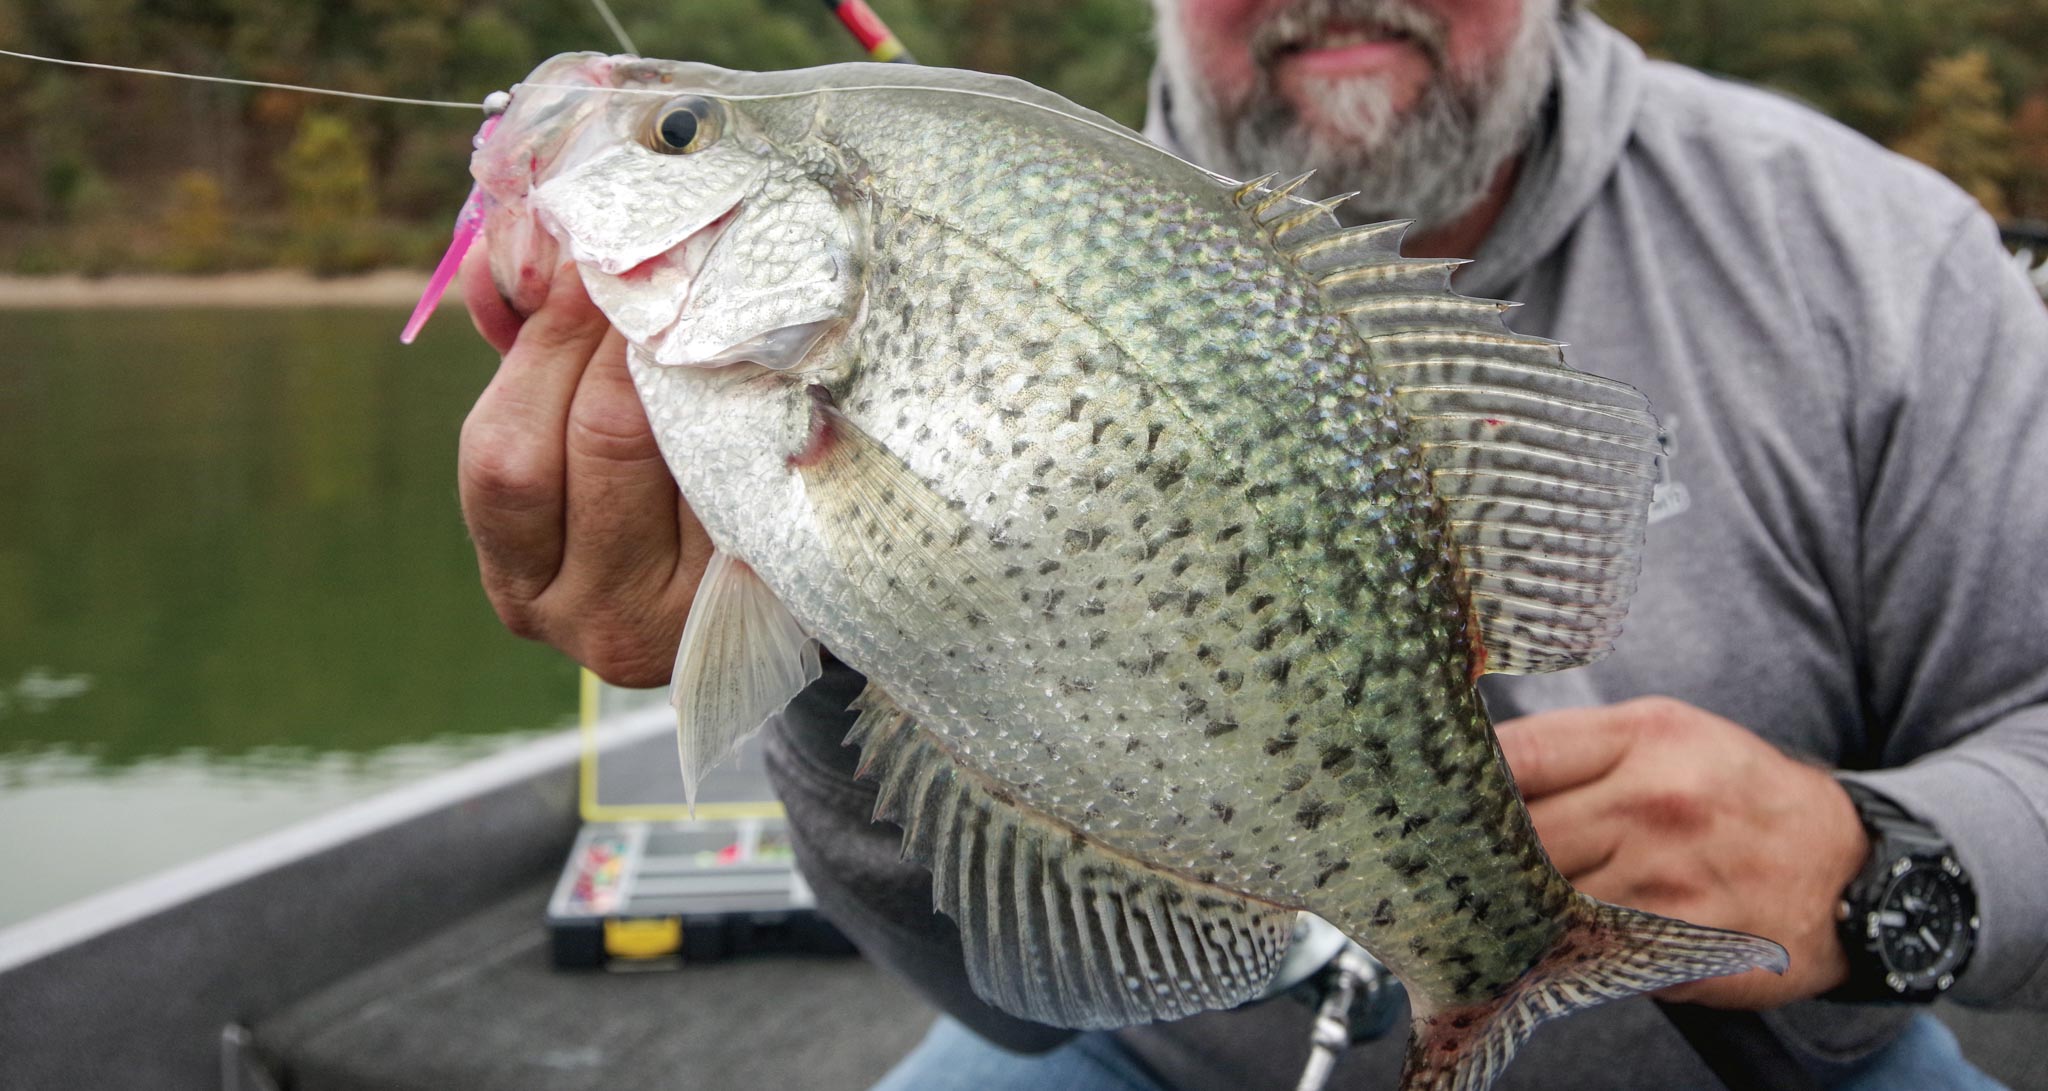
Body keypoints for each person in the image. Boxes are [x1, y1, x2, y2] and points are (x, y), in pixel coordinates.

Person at [455, 0, 2048, 1086]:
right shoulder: (983, 217)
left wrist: (1886, 869)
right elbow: (1005, 988)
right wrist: (816, 632)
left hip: (1809, 1054)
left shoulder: (1881, 257)